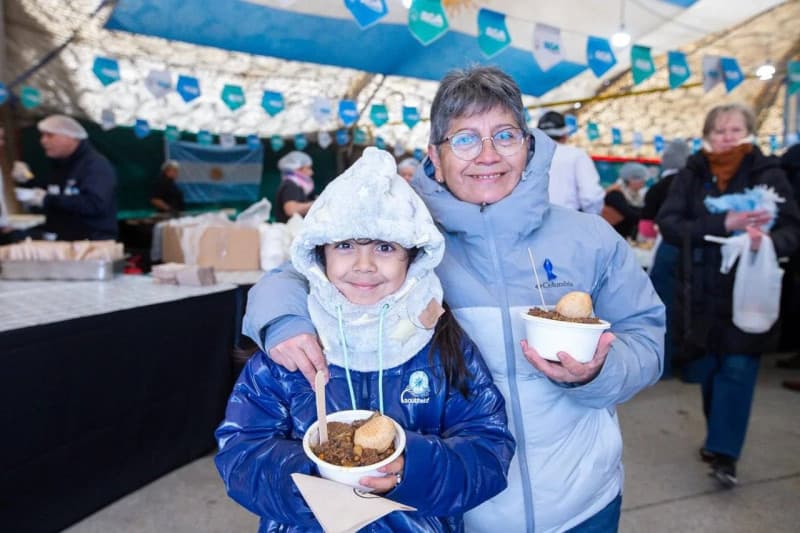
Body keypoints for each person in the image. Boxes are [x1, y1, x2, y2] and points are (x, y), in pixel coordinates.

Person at [243, 66, 665, 532]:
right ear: (435, 156)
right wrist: (283, 323)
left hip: (581, 502)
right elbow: (294, 275)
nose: (487, 155)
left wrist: (598, 372)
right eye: (464, 139)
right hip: (457, 508)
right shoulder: (406, 239)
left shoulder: (589, 238)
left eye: (504, 135)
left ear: (528, 144)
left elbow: (647, 336)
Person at [215, 147, 514, 531]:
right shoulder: (291, 347)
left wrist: (414, 467)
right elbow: (240, 453)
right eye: (345, 245)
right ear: (319, 254)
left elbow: (489, 449)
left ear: (414, 256)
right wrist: (312, 480)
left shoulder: (442, 343)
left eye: (385, 247)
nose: (364, 265)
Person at [657, 103, 800, 488]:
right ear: (707, 135)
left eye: (735, 129)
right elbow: (669, 225)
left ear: (749, 132)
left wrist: (767, 241)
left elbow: (792, 231)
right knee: (709, 369)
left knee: (737, 367)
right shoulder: (692, 173)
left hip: (749, 290)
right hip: (700, 292)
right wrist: (725, 222)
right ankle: (718, 436)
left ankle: (725, 454)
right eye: (719, 130)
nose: (727, 136)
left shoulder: (769, 173)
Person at [14, 114, 117, 241]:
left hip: (91, 244)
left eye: (50, 135)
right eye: (42, 135)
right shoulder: (61, 164)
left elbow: (94, 204)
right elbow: (52, 191)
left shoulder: (95, 166)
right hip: (63, 241)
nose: (43, 141)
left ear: (71, 137)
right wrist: (28, 179)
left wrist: (46, 199)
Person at [642, 139, 692, 378]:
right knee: (695, 311)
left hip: (667, 252)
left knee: (665, 310)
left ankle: (665, 367)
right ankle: (694, 370)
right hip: (697, 254)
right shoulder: (699, 185)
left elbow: (645, 231)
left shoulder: (657, 188)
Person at [536, 110, 605, 214]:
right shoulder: (577, 155)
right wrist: (592, 218)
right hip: (568, 221)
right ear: (564, 135)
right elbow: (591, 196)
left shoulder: (526, 156)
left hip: (532, 224)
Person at [603, 162, 648, 239]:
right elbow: (630, 213)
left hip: (623, 237)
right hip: (610, 237)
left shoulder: (634, 195)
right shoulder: (615, 193)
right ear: (631, 180)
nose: (643, 183)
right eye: (641, 180)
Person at [274, 150, 314, 223]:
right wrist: (315, 204)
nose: (311, 172)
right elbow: (291, 209)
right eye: (308, 168)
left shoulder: (297, 186)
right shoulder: (290, 185)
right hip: (288, 232)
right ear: (298, 169)